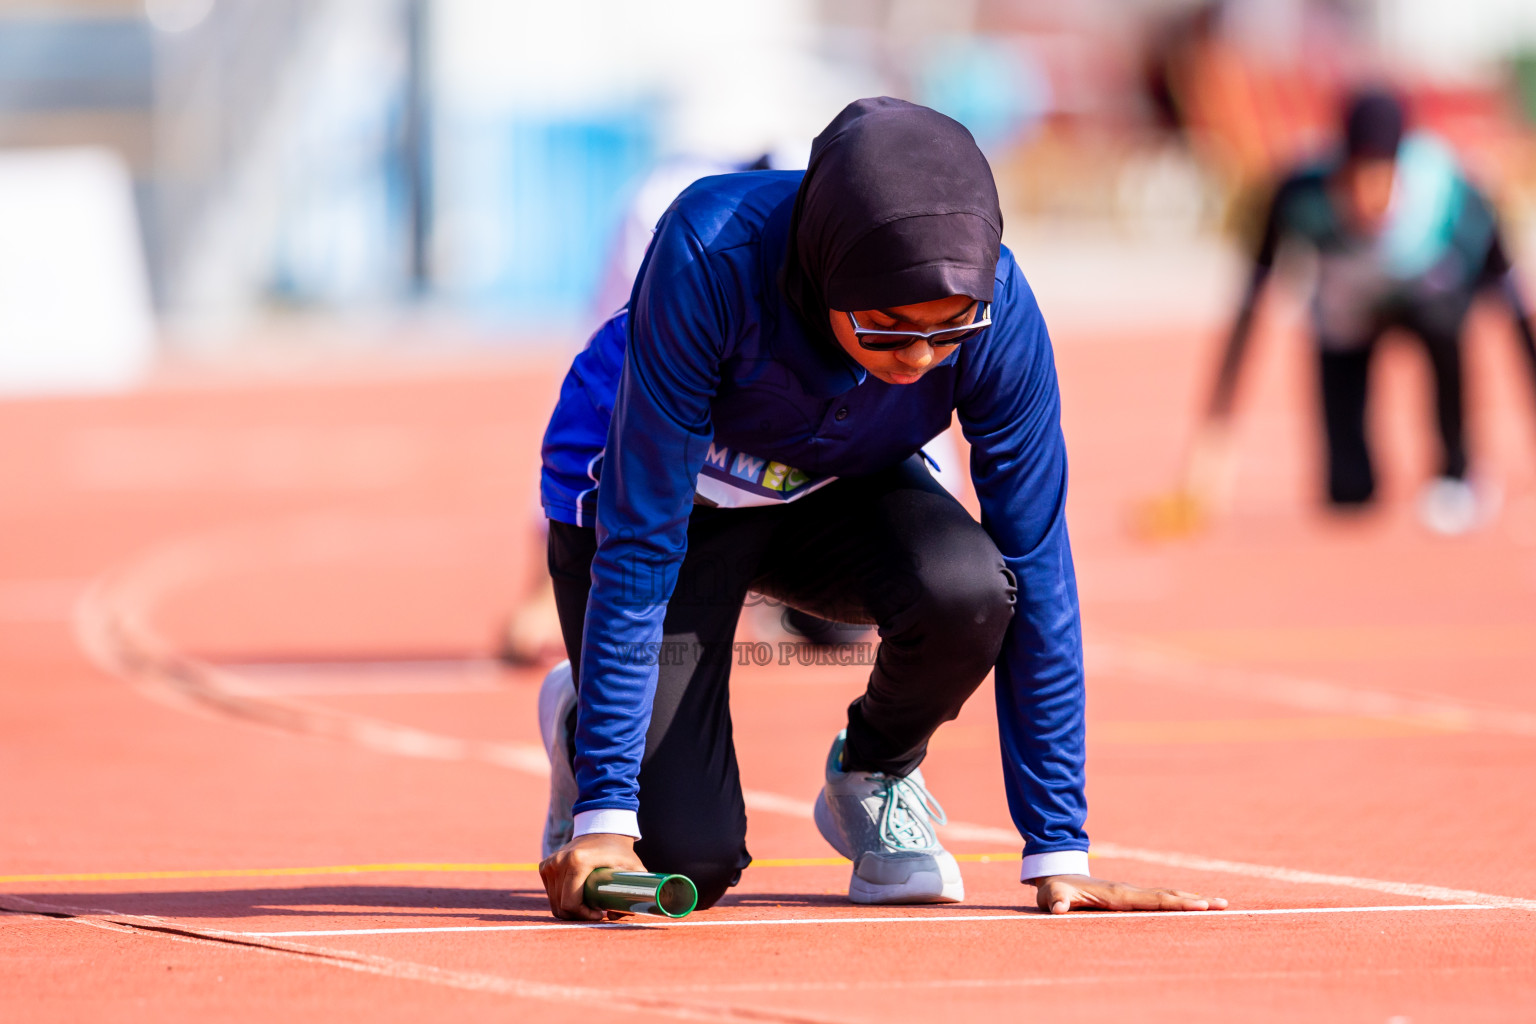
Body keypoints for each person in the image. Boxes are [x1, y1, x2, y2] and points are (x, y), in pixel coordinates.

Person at [535, 97, 1227, 919]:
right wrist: (607, 813)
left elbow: (1038, 562)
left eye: (948, 331)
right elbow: (642, 537)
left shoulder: (1000, 314)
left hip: (831, 486)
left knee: (970, 589)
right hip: (663, 504)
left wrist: (1058, 847)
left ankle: (873, 771)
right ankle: (593, 717)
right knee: (692, 864)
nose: (921, 357)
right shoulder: (707, 254)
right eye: (888, 329)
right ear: (825, 267)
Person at [1187, 87, 1536, 533]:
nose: (1368, 196)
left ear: (1401, 169)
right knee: (1347, 496)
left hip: (1428, 306)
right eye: (1357, 177)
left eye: (1382, 177)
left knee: (1446, 321)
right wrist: (1215, 435)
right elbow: (1250, 307)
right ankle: (1355, 474)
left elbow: (1514, 309)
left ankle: (1457, 469)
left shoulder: (1452, 198)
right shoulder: (1299, 198)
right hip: (1346, 319)